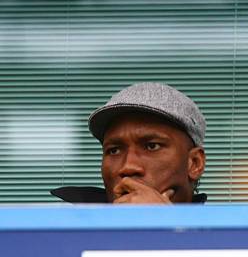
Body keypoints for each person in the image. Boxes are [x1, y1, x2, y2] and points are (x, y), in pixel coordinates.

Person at [51, 82, 207, 204]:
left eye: (152, 146)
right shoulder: (61, 232)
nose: (128, 167)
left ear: (194, 163)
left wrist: (166, 225)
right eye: (114, 150)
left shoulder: (222, 239)